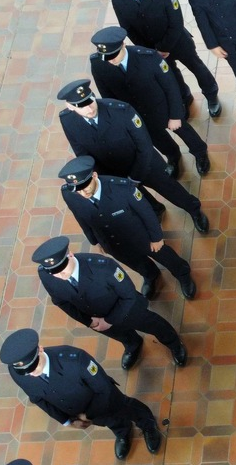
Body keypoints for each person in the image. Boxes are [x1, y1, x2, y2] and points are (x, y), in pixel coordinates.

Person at [56, 79, 211, 235]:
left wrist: (135, 176)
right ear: (69, 107)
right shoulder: (67, 120)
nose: (89, 109)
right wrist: (104, 177)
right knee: (138, 197)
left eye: (90, 101)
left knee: (170, 189)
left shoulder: (121, 111)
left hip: (145, 164)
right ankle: (156, 209)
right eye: (81, 106)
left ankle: (194, 209)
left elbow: (144, 145)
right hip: (112, 171)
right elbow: (81, 151)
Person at [0, 328, 162, 460]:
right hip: (78, 412)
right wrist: (67, 421)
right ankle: (122, 431)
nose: (33, 374)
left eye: (34, 366)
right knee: (108, 421)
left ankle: (148, 424)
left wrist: (88, 415)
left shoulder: (75, 359)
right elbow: (38, 399)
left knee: (126, 408)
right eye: (27, 371)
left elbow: (103, 388)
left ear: (40, 349)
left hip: (104, 399)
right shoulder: (18, 373)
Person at [32, 236, 188, 369]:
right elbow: (60, 301)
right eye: (55, 272)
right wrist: (89, 321)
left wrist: (108, 320)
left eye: (62, 268)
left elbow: (128, 295)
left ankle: (174, 343)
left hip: (127, 310)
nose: (60, 275)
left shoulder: (103, 267)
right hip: (96, 319)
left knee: (153, 325)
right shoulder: (46, 275)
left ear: (70, 255)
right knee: (121, 335)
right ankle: (133, 344)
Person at [58, 156, 196, 300]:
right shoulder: (69, 193)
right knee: (136, 263)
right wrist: (95, 241)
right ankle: (151, 275)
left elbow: (147, 212)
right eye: (77, 190)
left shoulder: (122, 188)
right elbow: (80, 217)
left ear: (94, 175)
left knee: (164, 256)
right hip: (112, 243)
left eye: (85, 187)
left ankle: (182, 273)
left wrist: (156, 237)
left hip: (141, 236)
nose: (82, 193)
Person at [88, 26, 212, 179]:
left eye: (114, 54)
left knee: (183, 130)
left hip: (162, 108)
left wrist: (175, 115)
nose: (111, 60)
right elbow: (107, 94)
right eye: (107, 56)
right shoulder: (98, 63)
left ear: (123, 45)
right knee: (157, 139)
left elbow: (170, 87)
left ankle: (199, 152)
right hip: (137, 114)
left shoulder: (149, 57)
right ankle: (173, 156)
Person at [105, 0, 220, 117]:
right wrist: (150, 51)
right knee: (171, 75)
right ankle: (185, 98)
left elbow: (176, 22)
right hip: (152, 48)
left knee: (196, 67)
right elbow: (127, 27)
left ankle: (211, 94)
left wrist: (164, 48)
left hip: (177, 41)